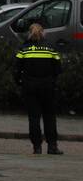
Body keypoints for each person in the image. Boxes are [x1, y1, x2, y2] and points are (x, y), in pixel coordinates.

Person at [15, 23, 63, 155]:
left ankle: (37, 147)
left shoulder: (24, 48)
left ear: (29, 33)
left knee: (34, 118)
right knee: (50, 117)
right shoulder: (51, 48)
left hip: (30, 87)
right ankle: (52, 147)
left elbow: (17, 69)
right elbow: (58, 69)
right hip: (48, 87)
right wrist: (53, 81)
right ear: (43, 32)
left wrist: (20, 82)